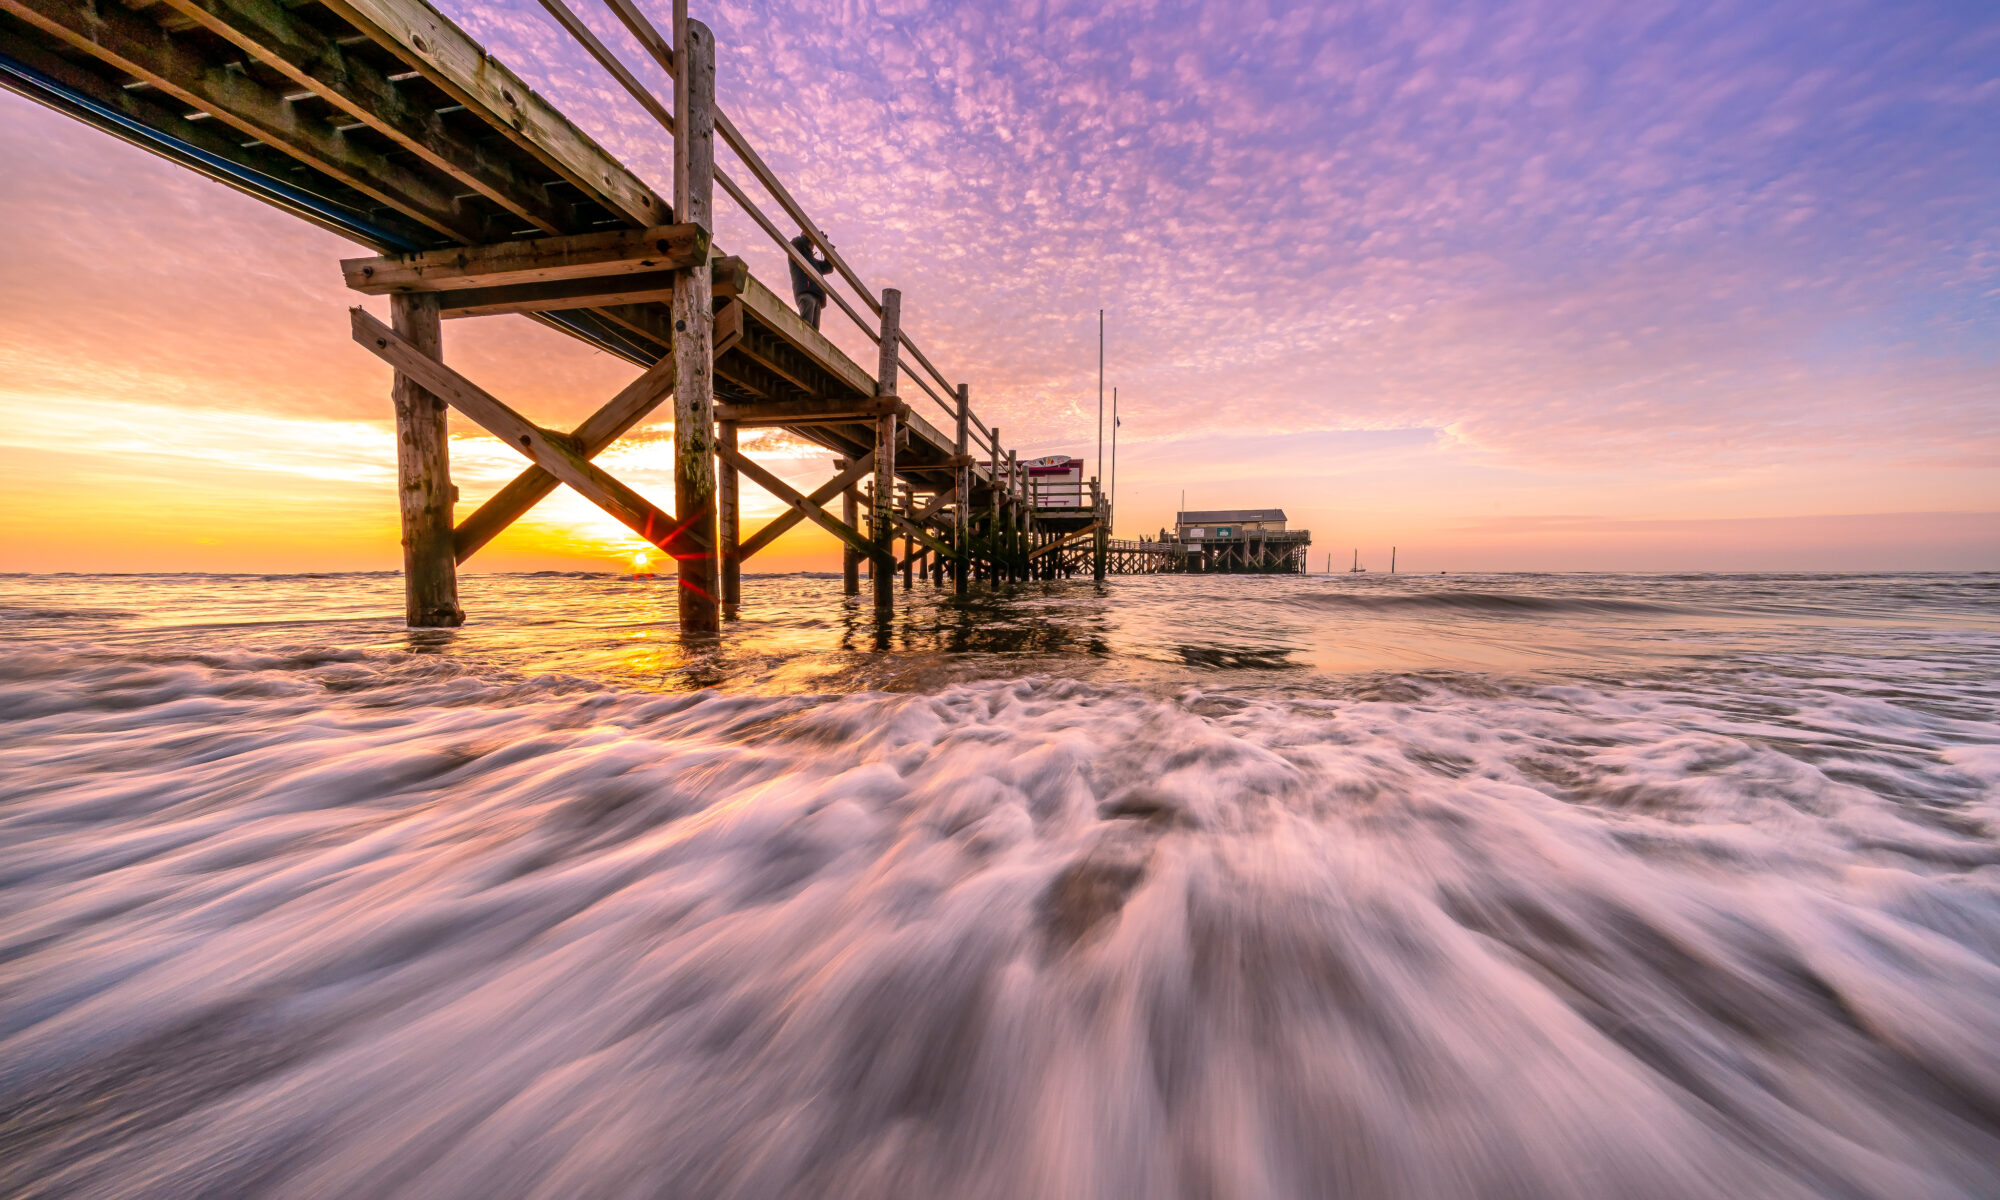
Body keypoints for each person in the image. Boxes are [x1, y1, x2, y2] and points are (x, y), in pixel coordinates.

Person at [788, 229, 831, 329]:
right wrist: (813, 236)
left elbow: (828, 267)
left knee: (814, 331)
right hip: (806, 293)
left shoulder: (813, 261)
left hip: (817, 297)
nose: (812, 243)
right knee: (806, 327)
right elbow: (800, 242)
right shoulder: (796, 245)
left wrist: (826, 248)